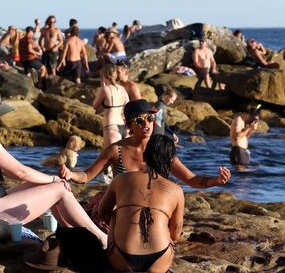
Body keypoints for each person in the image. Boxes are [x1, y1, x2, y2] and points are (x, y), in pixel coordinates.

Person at [0, 82, 108, 247]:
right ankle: (101, 238)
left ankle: (69, 232)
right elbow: (20, 173)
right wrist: (53, 179)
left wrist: (48, 180)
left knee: (46, 186)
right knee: (60, 188)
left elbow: (13, 173)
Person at [59, 99, 231, 188]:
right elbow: (88, 175)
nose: (146, 124)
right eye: (139, 120)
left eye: (149, 118)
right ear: (128, 125)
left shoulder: (161, 149)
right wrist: (70, 174)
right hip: (125, 209)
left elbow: (191, 180)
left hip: (155, 208)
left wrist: (217, 180)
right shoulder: (116, 150)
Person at [98, 134, 184, 273]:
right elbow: (175, 235)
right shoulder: (176, 190)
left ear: (144, 157)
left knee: (115, 214)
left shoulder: (121, 179)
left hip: (122, 258)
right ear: (170, 162)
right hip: (159, 259)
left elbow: (102, 212)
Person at [92, 63, 129, 147]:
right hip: (122, 126)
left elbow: (95, 105)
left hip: (111, 126)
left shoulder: (104, 89)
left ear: (104, 76)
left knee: (110, 157)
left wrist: (102, 87)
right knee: (122, 157)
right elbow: (128, 106)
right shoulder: (122, 89)